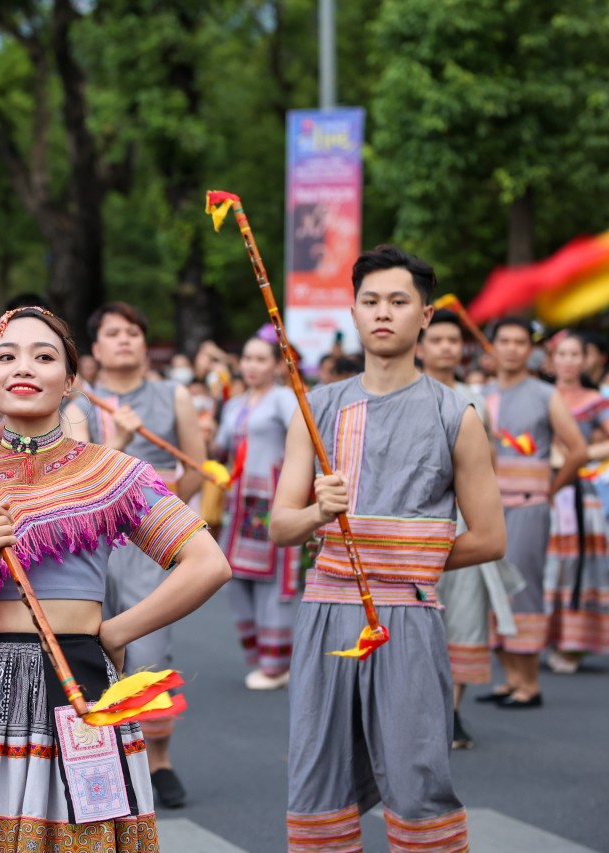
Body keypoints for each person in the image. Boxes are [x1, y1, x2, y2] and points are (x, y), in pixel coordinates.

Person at [0, 307, 230, 852]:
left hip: (82, 685)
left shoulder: (111, 472)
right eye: (6, 356)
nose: (23, 367)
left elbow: (208, 563)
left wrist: (115, 633)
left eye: (44, 356)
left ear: (70, 381)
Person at [270, 246, 504, 853]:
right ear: (352, 310)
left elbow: (489, 536)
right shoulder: (316, 407)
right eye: (370, 301)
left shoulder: (458, 413)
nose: (383, 313)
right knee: (317, 778)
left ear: (425, 315)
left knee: (417, 776)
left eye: (399, 302)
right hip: (326, 613)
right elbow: (280, 525)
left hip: (409, 614)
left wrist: (403, 556)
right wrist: (319, 514)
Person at [65, 301, 206, 809]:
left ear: (145, 344)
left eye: (133, 332)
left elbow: (195, 467)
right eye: (113, 333)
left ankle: (159, 761)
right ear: (96, 348)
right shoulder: (77, 401)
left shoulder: (174, 395)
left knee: (148, 651)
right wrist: (117, 441)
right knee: (86, 648)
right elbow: (74, 472)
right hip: (91, 544)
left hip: (151, 543)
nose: (124, 340)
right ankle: (98, 760)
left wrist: (166, 516)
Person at [419, 308, 520, 749]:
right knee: (414, 617)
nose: (445, 347)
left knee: (463, 620)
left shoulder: (474, 400)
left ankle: (452, 711)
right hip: (414, 523)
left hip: (464, 524)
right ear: (420, 346)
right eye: (436, 340)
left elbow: (487, 471)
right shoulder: (407, 396)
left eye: (452, 341)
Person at [481, 318, 586, 707]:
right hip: (488, 507)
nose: (511, 348)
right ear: (492, 347)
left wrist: (549, 489)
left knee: (521, 588)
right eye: (504, 341)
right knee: (489, 589)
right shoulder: (483, 393)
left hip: (528, 505)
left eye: (519, 342)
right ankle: (509, 678)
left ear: (532, 349)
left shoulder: (545, 394)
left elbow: (576, 449)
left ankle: (529, 683)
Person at [212, 331, 300, 691]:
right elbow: (219, 448)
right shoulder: (234, 404)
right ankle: (261, 655)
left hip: (272, 498)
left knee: (273, 579)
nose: (251, 365)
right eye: (247, 358)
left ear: (278, 365)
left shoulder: (284, 399)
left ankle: (276, 663)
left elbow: (304, 441)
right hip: (239, 502)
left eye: (260, 359)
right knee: (234, 578)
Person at [543, 332, 609, 673]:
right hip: (539, 490)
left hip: (577, 494)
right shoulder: (538, 396)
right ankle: (539, 639)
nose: (568, 361)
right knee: (540, 566)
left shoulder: (595, 401)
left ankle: (573, 645)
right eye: (561, 354)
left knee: (575, 567)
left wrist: (579, 455)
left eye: (574, 354)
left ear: (586, 360)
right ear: (551, 360)